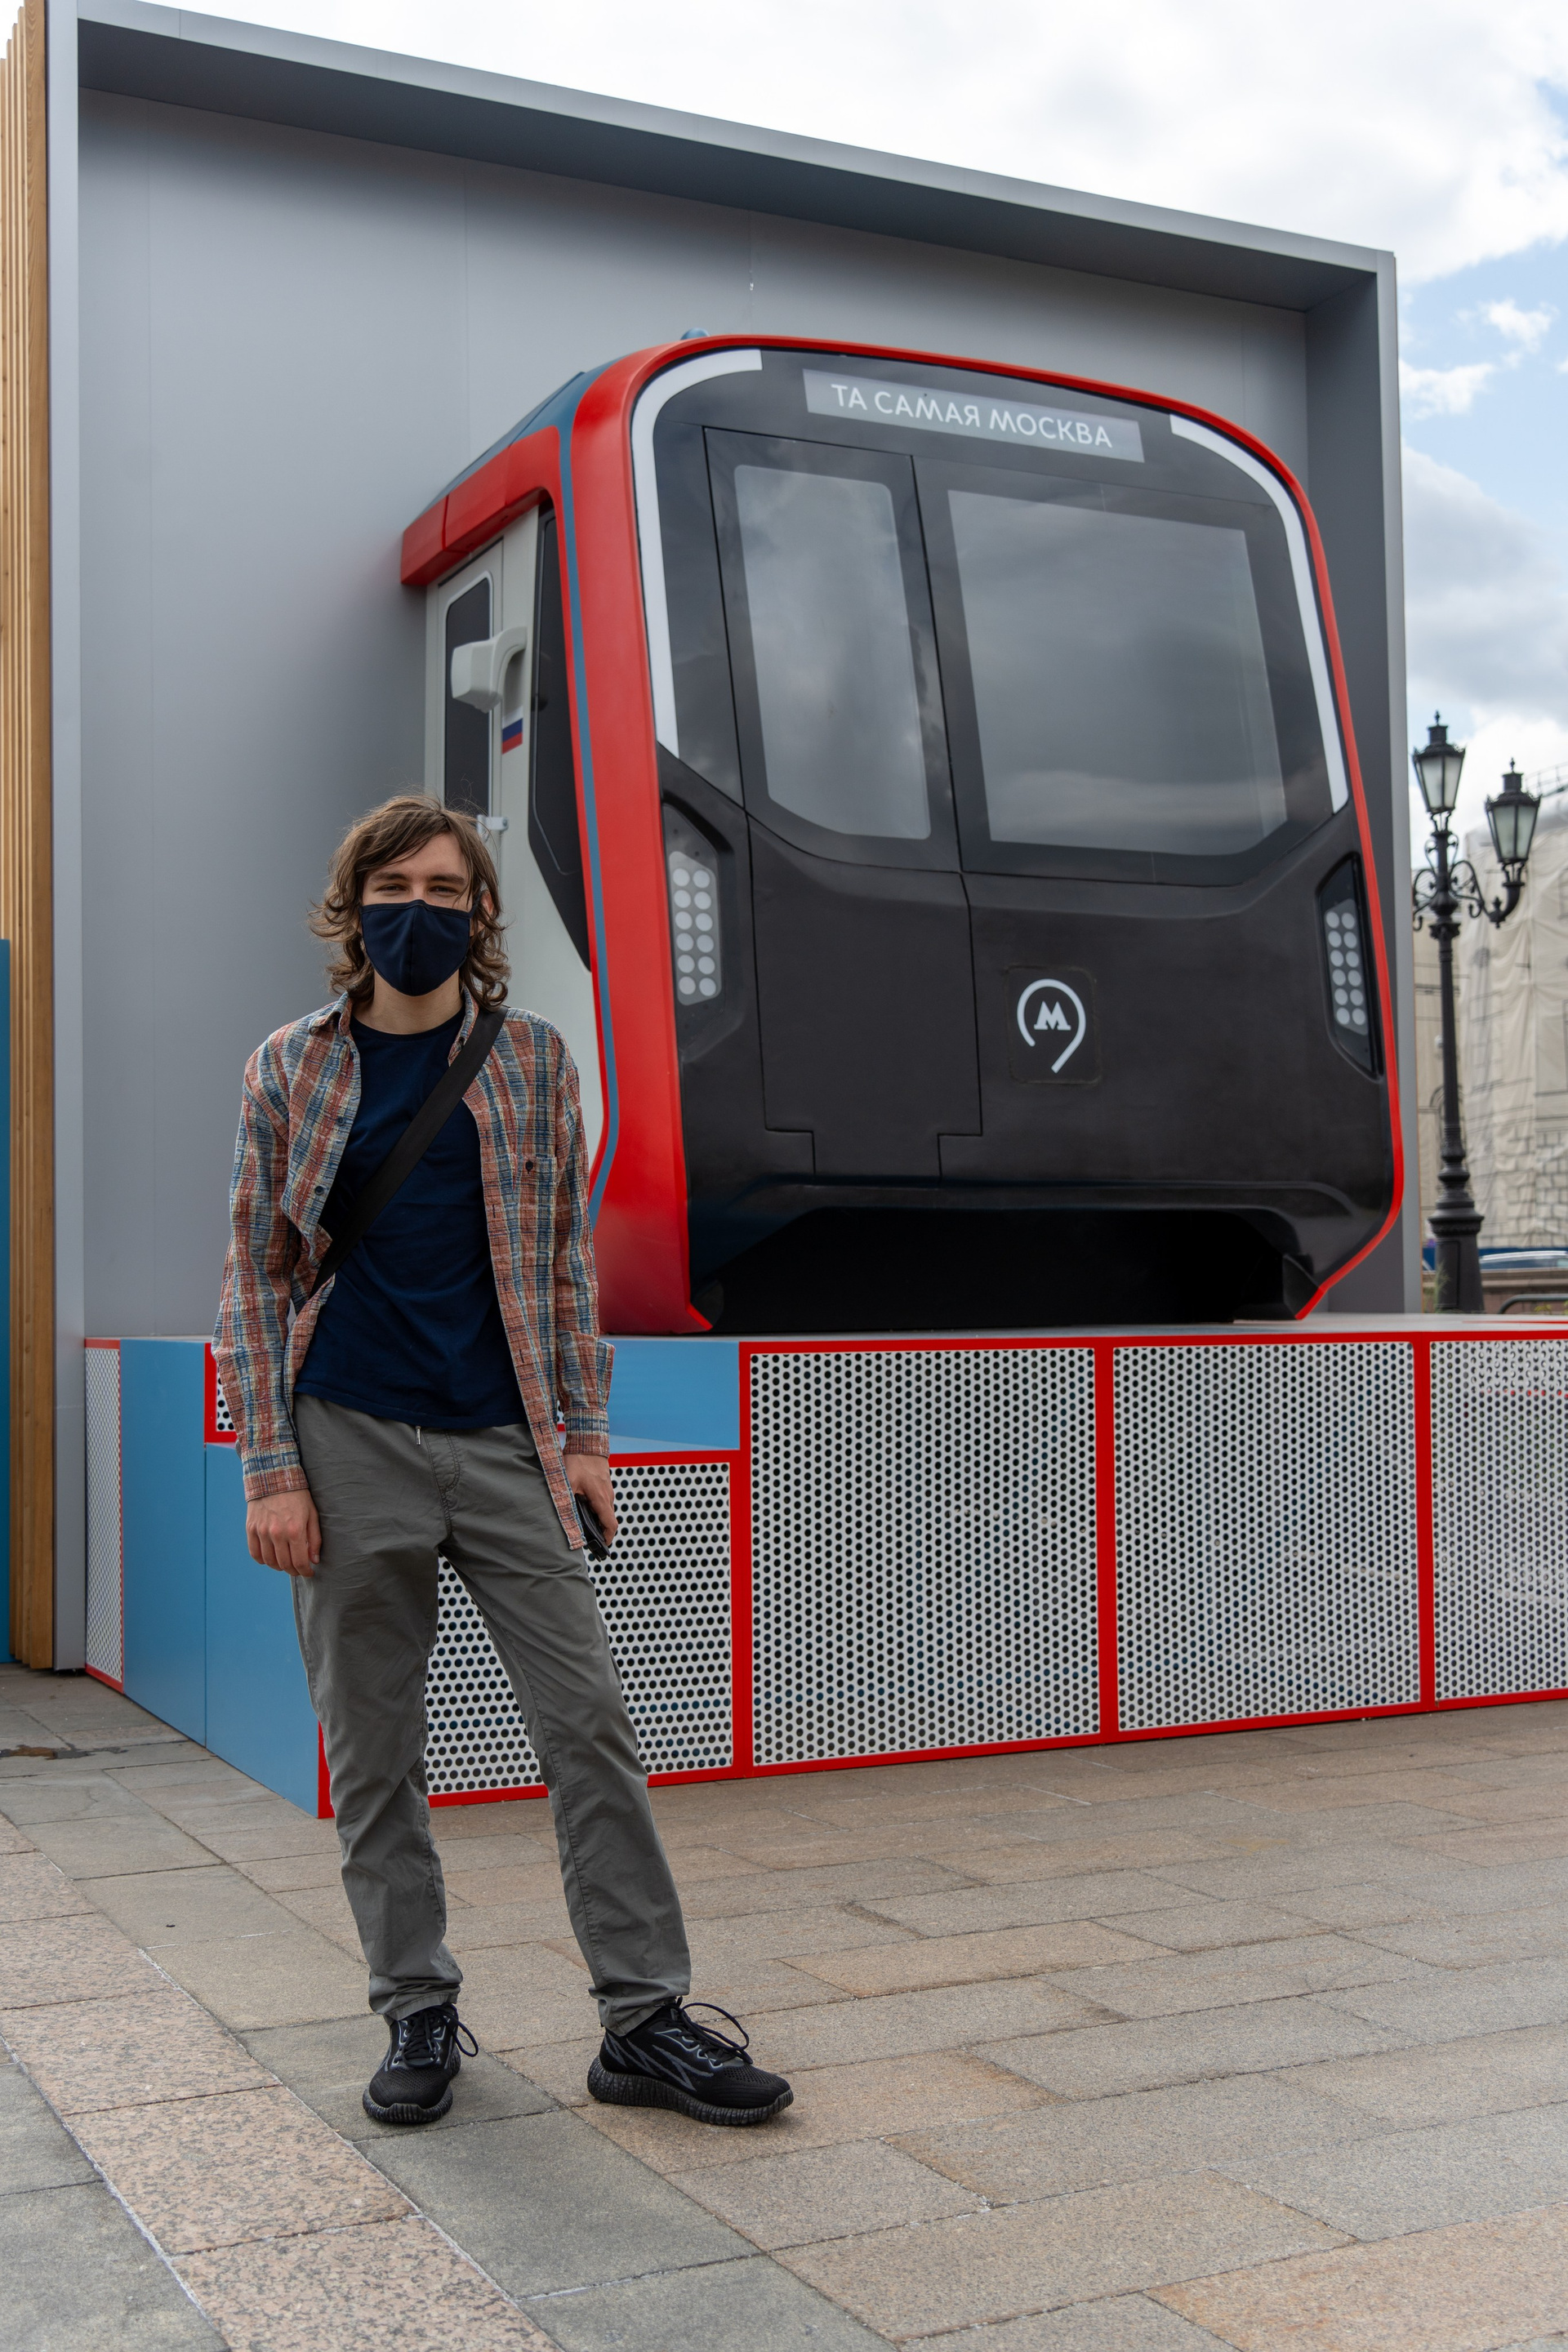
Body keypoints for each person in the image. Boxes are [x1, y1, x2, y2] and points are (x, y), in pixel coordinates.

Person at [216, 793, 791, 2132]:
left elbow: (564, 1265)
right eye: (392, 888)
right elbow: (252, 1274)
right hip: (345, 1435)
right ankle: (416, 2008)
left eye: (444, 888)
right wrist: (270, 1467)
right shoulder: (289, 1067)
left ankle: (643, 2022)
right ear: (354, 907)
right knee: (374, 1749)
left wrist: (584, 1438)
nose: (417, 910)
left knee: (589, 1725)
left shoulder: (530, 1059)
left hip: (505, 1439)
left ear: (481, 911)